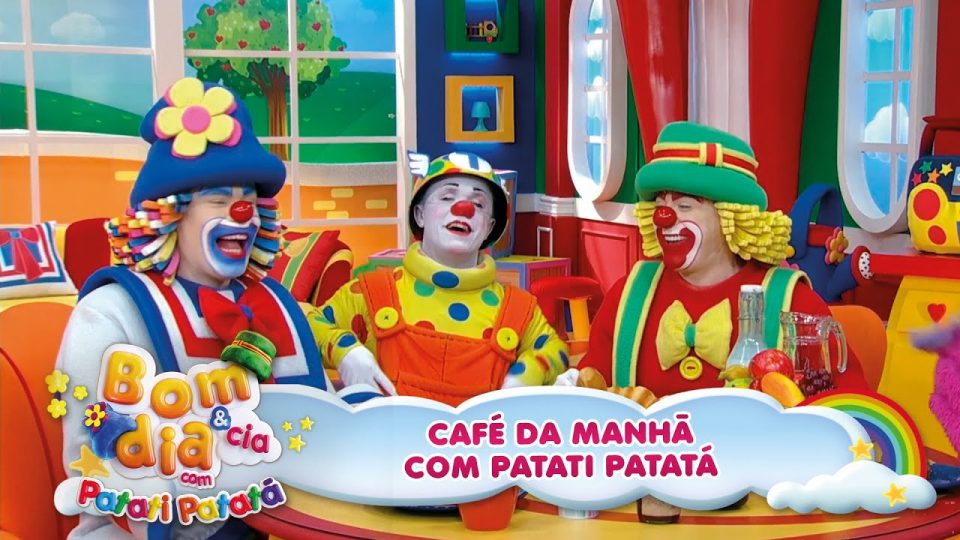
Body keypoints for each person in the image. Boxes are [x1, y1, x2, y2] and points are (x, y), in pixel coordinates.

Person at [56, 77, 330, 538]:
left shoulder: (276, 304)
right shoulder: (111, 312)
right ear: (171, 215)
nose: (241, 212)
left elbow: (321, 421)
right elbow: (94, 449)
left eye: (248, 200)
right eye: (219, 199)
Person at [572, 121, 867, 394]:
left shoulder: (793, 302)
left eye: (685, 206)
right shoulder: (629, 296)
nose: (664, 218)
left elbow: (848, 406)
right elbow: (588, 393)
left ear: (731, 217)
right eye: (660, 205)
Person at [310, 152, 569, 406]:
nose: (463, 209)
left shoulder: (518, 308)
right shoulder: (371, 292)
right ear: (420, 214)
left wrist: (528, 373)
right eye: (447, 197)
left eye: (479, 204)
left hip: (476, 436)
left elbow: (554, 348)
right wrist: (346, 351)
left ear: (489, 228)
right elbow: (306, 323)